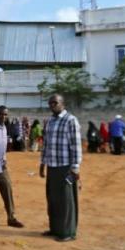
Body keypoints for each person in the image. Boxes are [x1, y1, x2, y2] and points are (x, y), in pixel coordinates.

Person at [40, 94, 82, 242]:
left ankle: (68, 232)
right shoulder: (50, 121)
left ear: (62, 104)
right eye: (50, 103)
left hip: (65, 167)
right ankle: (55, 228)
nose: (52, 105)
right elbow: (46, 144)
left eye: (55, 103)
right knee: (53, 200)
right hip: (52, 165)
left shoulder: (70, 120)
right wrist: (42, 163)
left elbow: (75, 145)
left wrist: (75, 167)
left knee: (66, 200)